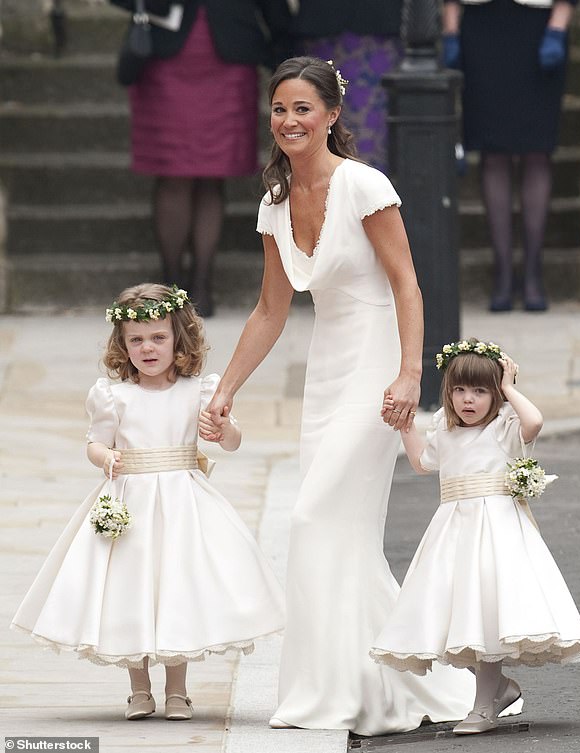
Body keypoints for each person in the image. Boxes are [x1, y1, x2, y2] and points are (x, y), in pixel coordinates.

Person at [199, 56, 477, 736]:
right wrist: (225, 389)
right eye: (279, 109)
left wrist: (410, 373)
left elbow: (408, 284)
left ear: (331, 116)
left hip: (379, 360)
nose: (289, 120)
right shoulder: (273, 201)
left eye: (302, 108)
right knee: (339, 532)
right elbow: (270, 309)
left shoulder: (364, 186)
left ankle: (356, 683)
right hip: (327, 369)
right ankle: (367, 680)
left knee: (313, 518)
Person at [11, 283, 285, 721]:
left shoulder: (198, 390)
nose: (148, 348)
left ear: (179, 337)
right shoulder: (112, 394)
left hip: (181, 503)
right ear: (122, 344)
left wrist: (223, 431)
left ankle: (178, 691)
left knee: (175, 587)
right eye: (136, 340)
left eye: (158, 337)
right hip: (129, 502)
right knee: (130, 588)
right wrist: (107, 457)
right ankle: (139, 689)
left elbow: (232, 440)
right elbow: (94, 444)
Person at [371, 338, 580, 734]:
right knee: (457, 613)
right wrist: (406, 427)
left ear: (496, 396)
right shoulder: (445, 429)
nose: (467, 400)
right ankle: (500, 689)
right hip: (452, 532)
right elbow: (424, 463)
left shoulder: (506, 429)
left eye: (480, 391)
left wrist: (509, 387)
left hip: (496, 531)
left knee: (487, 612)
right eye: (459, 390)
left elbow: (535, 422)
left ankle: (483, 707)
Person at [110, 0, 292, 316]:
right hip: (167, 53)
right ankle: (170, 284)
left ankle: (202, 284)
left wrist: (284, 49)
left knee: (213, 174)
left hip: (231, 53)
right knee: (173, 174)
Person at [442, 0, 579, 311]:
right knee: (493, 155)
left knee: (537, 153)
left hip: (540, 26)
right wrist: (450, 31)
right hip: (481, 27)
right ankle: (502, 274)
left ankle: (533, 273)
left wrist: (558, 27)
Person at [289, 0, 403, 172]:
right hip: (326, 26)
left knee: (372, 125)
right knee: (321, 116)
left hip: (374, 26)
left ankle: (367, 188)